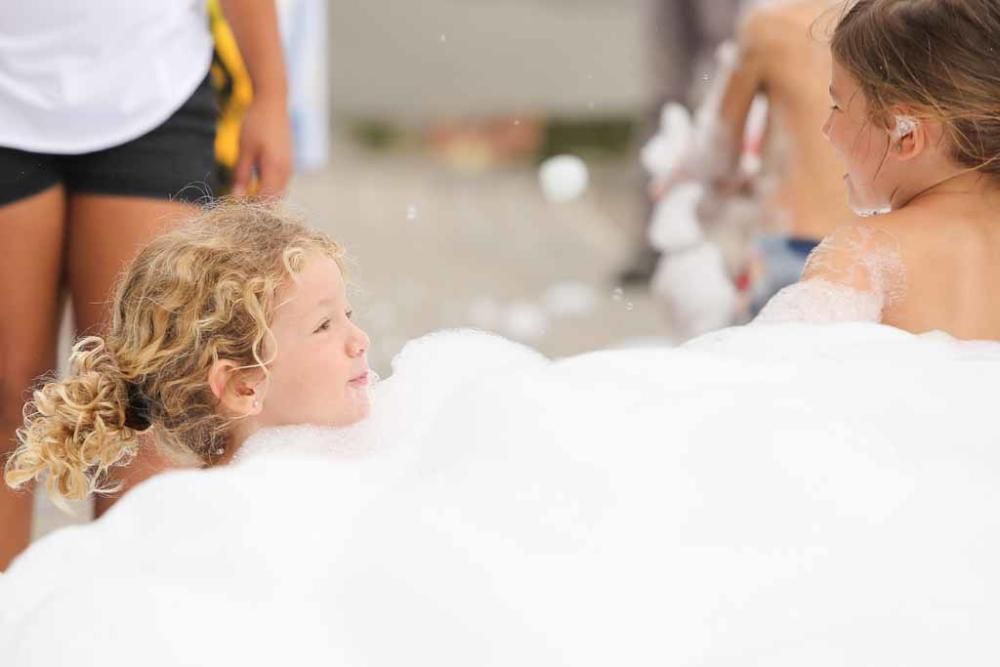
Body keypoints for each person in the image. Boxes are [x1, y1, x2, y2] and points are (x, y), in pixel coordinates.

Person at [0, 0, 291, 570]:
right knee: (8, 393)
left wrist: (271, 94)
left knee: (142, 399)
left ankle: (133, 630)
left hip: (151, 89)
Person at [5, 200, 372, 504]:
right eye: (324, 325)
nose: (360, 340)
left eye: (348, 315)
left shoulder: (355, 471)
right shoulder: (228, 521)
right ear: (242, 387)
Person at [757, 0, 1000, 341]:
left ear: (906, 133)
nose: (827, 128)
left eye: (837, 106)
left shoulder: (864, 254)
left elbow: (795, 381)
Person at [707, 0, 852, 313]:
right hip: (876, 242)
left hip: (792, 238)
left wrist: (726, 187)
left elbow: (721, 146)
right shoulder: (899, 22)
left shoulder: (767, 27)